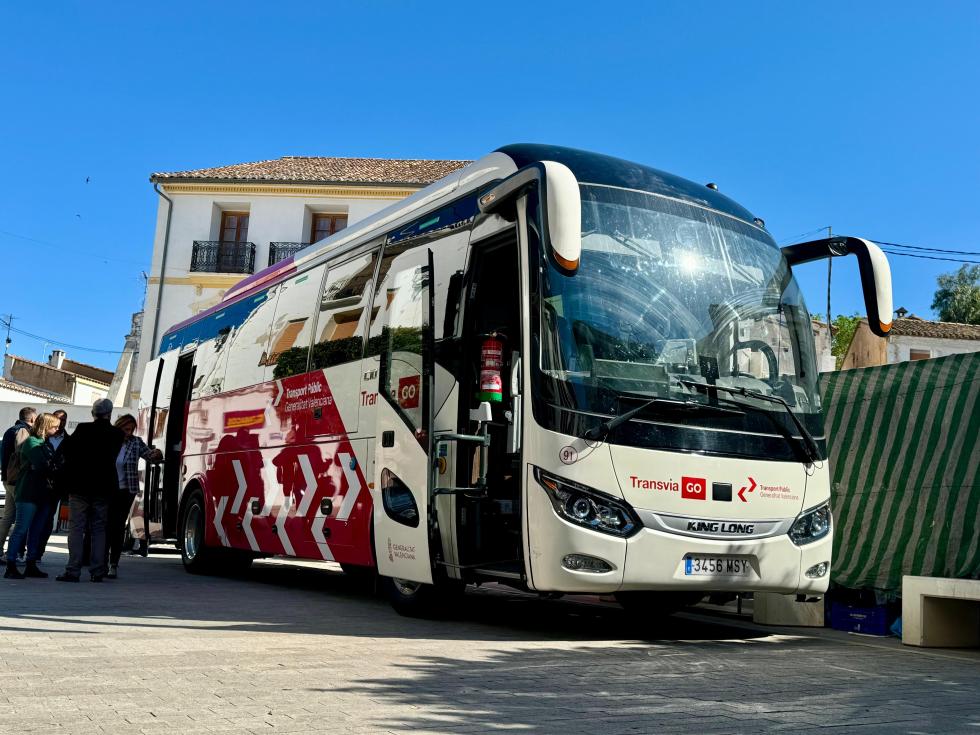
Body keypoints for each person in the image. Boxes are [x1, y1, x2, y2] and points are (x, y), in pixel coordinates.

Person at [56, 398, 123, 583]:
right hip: (104, 486)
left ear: (93, 413)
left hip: (80, 486)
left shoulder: (83, 429)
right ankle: (97, 570)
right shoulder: (117, 434)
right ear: (110, 413)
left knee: (76, 528)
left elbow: (67, 452)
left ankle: (73, 570)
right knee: (99, 529)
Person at [4, 413, 61, 579]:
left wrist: (52, 466)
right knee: (21, 529)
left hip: (43, 493)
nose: (57, 429)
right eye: (54, 426)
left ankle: (31, 564)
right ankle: (11, 564)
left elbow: (52, 465)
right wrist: (52, 466)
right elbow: (44, 465)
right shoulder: (31, 442)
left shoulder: (46, 444)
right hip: (28, 492)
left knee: (36, 530)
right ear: (45, 426)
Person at [107, 414, 161, 579]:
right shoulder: (109, 440)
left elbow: (150, 456)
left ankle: (113, 564)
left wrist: (157, 453)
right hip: (107, 489)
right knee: (103, 525)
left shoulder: (135, 442)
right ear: (119, 427)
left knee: (117, 527)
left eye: (131, 430)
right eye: (126, 429)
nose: (128, 433)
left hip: (126, 490)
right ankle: (98, 561)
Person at [0, 407, 37, 563]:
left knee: (8, 517)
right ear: (32, 419)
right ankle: (13, 554)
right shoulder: (23, 431)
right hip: (16, 481)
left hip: (7, 479)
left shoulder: (10, 430)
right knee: (21, 519)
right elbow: (22, 456)